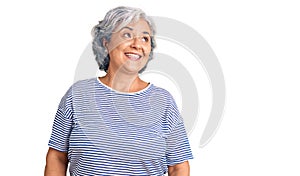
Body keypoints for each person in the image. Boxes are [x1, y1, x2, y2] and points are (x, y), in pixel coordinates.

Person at [44, 6, 193, 176]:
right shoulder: (77, 95)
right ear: (105, 42)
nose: (137, 45)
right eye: (127, 35)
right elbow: (57, 157)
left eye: (145, 38)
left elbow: (178, 167)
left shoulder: (163, 101)